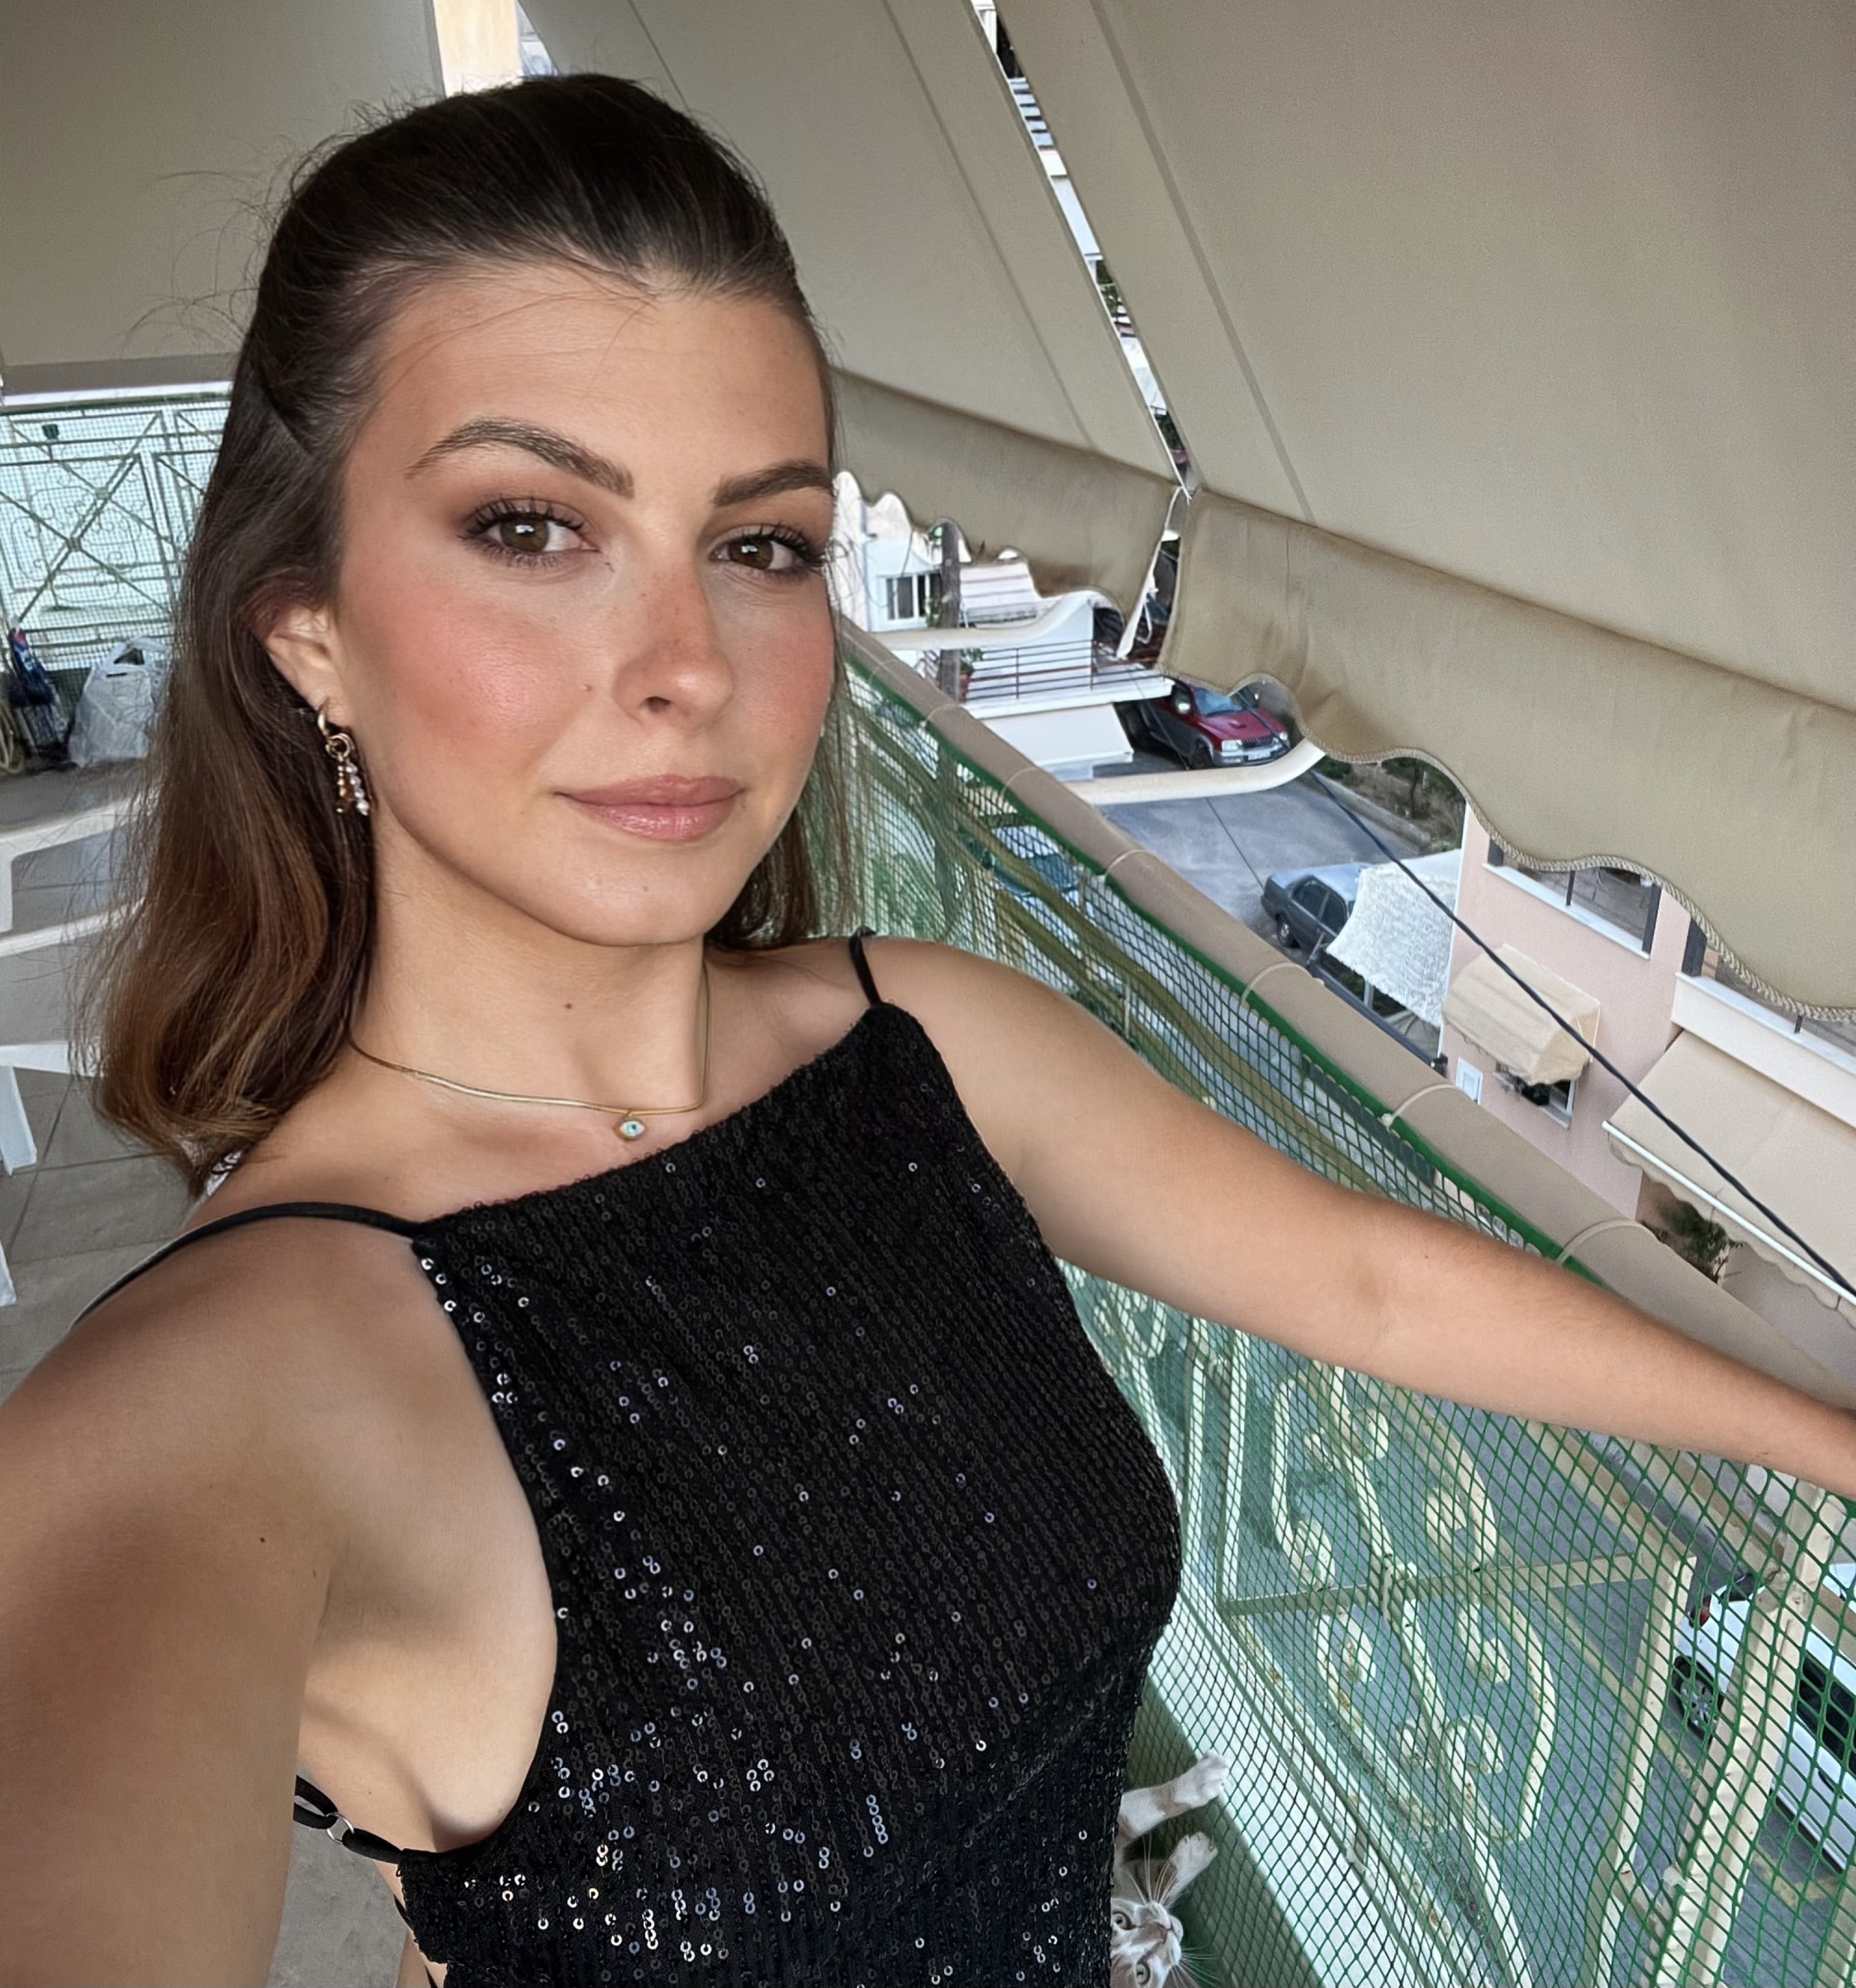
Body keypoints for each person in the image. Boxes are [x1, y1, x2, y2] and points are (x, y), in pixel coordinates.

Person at [0, 75, 1850, 1988]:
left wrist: (1829, 1441)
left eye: (764, 545)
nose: (688, 669)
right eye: (532, 526)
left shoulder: (919, 1038)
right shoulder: (212, 1400)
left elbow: (1363, 1282)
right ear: (307, 631)